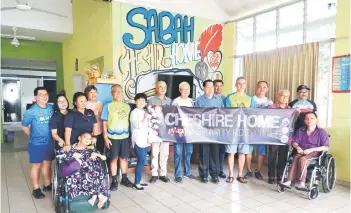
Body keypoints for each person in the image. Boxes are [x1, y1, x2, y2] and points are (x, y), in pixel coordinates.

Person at [56, 132, 108, 209]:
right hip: (76, 173)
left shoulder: (90, 149)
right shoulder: (70, 148)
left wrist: (97, 154)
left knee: (94, 169)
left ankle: (95, 195)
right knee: (86, 171)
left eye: (89, 139)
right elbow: (58, 156)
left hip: (92, 173)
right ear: (79, 138)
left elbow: (104, 158)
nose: (87, 140)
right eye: (85, 137)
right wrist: (72, 155)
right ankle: (98, 194)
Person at [281, 112, 329, 189]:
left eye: (312, 118)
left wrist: (311, 149)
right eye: (307, 118)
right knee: (296, 157)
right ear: (305, 121)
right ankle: (289, 181)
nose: (309, 120)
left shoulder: (321, 132)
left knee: (303, 159)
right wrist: (297, 147)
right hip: (302, 151)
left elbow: (326, 147)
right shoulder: (301, 130)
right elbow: (294, 142)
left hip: (314, 153)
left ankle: (302, 182)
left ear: (316, 120)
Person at [21, 87, 54, 199]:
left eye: (46, 94)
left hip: (50, 142)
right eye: (41, 94)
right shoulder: (31, 111)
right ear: (35, 97)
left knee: (48, 163)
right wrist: (32, 136)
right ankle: (36, 189)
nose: (44, 96)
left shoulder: (51, 108)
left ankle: (47, 184)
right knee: (37, 166)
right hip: (36, 144)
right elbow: (24, 126)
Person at [101, 84, 133, 190]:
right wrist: (105, 137)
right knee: (113, 159)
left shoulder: (127, 106)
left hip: (125, 137)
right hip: (112, 137)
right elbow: (104, 123)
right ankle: (114, 180)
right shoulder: (107, 105)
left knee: (124, 158)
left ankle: (124, 178)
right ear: (112, 93)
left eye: (120, 91)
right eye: (116, 91)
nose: (118, 93)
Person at [225, 77, 252, 184]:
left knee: (242, 152)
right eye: (239, 84)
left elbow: (253, 113)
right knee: (231, 152)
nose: (241, 86)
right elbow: (226, 112)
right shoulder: (230, 97)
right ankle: (230, 174)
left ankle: (240, 174)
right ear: (236, 85)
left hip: (244, 129)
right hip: (232, 129)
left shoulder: (250, 98)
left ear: (245, 85)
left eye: (243, 84)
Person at [195, 80, 223, 183]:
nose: (210, 89)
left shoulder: (219, 100)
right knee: (203, 153)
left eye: (212, 87)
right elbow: (195, 116)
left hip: (215, 131)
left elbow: (224, 114)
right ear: (203, 88)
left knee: (214, 153)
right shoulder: (199, 100)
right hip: (203, 131)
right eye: (208, 87)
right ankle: (204, 175)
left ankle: (214, 175)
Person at [244, 81, 273, 180]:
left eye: (264, 87)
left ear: (267, 89)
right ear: (256, 88)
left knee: (261, 151)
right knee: (248, 150)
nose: (262, 89)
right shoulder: (250, 99)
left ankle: (258, 170)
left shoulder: (270, 102)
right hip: (250, 129)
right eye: (260, 87)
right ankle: (248, 170)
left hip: (263, 131)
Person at [147, 81, 172, 183]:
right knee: (154, 153)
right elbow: (148, 114)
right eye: (160, 87)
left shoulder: (170, 101)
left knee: (164, 153)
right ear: (156, 88)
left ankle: (163, 173)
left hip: (165, 132)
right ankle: (154, 173)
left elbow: (172, 117)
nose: (162, 89)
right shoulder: (151, 100)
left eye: (164, 87)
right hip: (154, 131)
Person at [172, 82, 196, 183]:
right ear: (179, 90)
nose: (186, 91)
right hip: (178, 132)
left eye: (188, 89)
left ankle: (188, 173)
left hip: (189, 132)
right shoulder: (175, 102)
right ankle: (178, 174)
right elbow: (171, 116)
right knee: (178, 153)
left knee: (188, 152)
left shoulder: (192, 102)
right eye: (183, 89)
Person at [267, 89, 291, 184]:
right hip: (273, 136)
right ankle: (271, 176)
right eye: (282, 96)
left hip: (285, 137)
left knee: (283, 157)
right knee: (272, 156)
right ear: (278, 96)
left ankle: (280, 176)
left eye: (287, 96)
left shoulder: (290, 109)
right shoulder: (271, 107)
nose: (284, 98)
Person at [130, 93, 150, 190]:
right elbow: (138, 125)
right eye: (139, 100)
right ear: (135, 101)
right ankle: (136, 183)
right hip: (138, 140)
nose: (141, 102)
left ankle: (139, 180)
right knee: (141, 161)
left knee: (143, 161)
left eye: (143, 100)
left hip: (145, 140)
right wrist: (145, 118)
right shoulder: (134, 112)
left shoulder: (144, 111)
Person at [85, 85, 104, 154]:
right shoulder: (85, 104)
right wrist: (93, 115)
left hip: (100, 131)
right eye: (91, 92)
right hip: (90, 132)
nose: (93, 94)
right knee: (90, 152)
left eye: (95, 92)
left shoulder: (99, 103)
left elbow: (102, 117)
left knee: (99, 151)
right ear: (87, 94)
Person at [213, 79, 227, 179]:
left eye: (220, 86)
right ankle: (213, 169)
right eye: (216, 86)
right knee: (213, 150)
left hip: (223, 128)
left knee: (222, 150)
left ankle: (220, 170)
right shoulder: (210, 98)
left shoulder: (226, 99)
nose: (218, 88)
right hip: (212, 128)